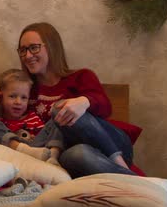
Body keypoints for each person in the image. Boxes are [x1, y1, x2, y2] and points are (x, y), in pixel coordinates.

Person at [17, 22, 135, 178]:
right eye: (23, 50)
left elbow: (106, 108)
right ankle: (136, 181)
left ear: (52, 47)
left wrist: (84, 101)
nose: (28, 55)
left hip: (113, 145)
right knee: (78, 154)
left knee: (60, 108)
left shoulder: (81, 77)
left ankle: (120, 164)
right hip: (75, 154)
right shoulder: (23, 90)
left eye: (34, 48)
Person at [0, 69, 64, 165]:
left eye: (24, 98)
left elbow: (45, 137)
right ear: (0, 97)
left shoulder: (33, 118)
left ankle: (53, 156)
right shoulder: (0, 123)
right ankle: (23, 150)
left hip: (36, 149)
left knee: (58, 116)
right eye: (12, 96)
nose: (18, 102)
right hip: (13, 148)